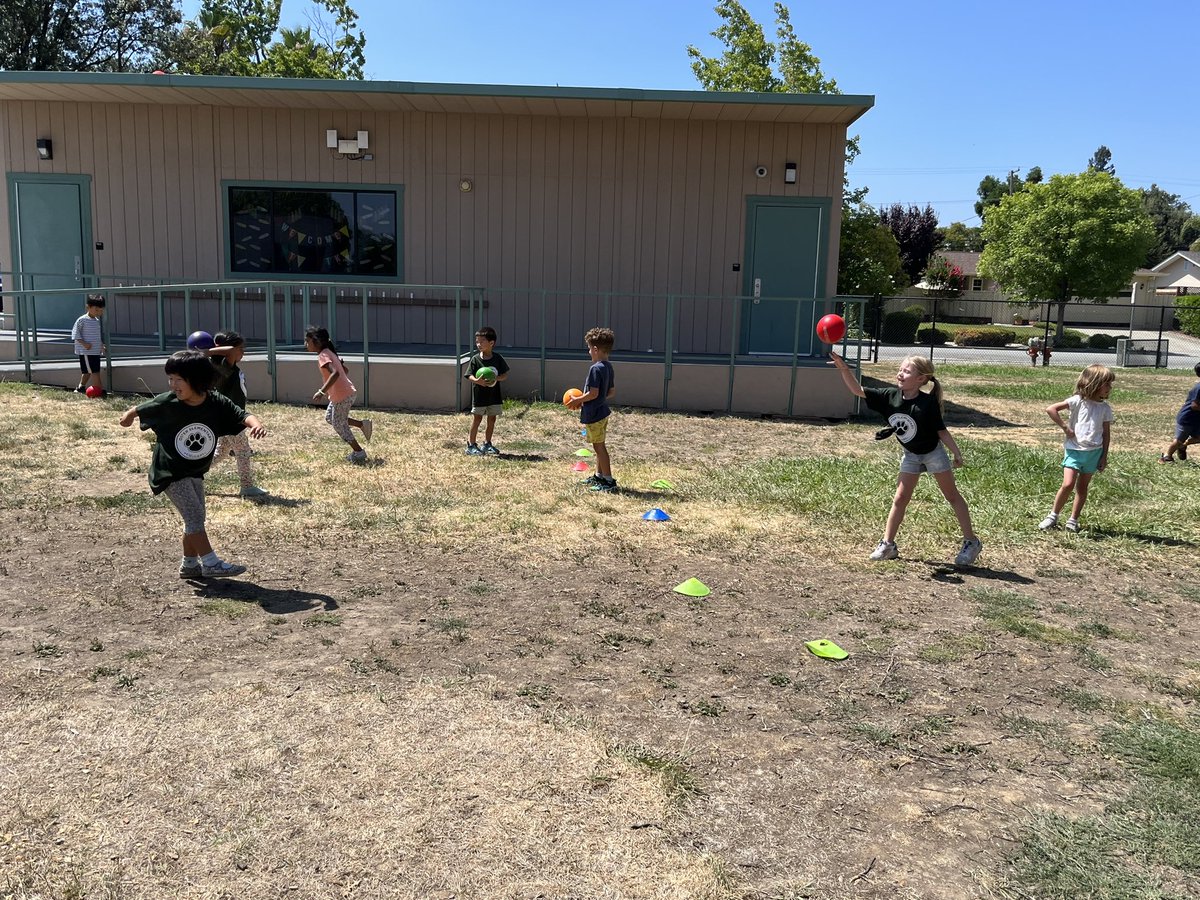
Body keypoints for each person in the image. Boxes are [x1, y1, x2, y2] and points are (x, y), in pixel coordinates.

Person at [118, 350, 267, 578]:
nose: (172, 385)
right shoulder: (169, 401)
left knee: (196, 518)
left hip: (195, 471)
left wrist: (255, 424)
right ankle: (211, 563)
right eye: (170, 379)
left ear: (197, 380)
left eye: (178, 379)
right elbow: (141, 408)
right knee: (194, 517)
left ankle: (189, 565)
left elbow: (241, 414)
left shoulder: (215, 401)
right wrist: (128, 417)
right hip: (170, 472)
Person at [830, 351, 983, 566]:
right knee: (900, 498)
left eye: (906, 371)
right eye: (900, 370)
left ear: (921, 379)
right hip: (911, 455)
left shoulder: (927, 403)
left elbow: (941, 431)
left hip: (933, 453)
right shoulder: (889, 396)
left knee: (951, 495)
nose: (900, 374)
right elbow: (857, 390)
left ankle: (971, 542)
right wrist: (843, 368)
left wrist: (956, 453)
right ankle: (888, 545)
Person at [1039, 364, 1115, 533]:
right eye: (1107, 384)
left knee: (1082, 488)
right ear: (1094, 383)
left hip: (1093, 453)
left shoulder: (1105, 408)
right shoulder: (1077, 401)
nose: (1110, 387)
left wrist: (1103, 457)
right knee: (1067, 484)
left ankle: (1073, 520)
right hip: (1074, 450)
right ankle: (1053, 516)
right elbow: (1051, 409)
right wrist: (1065, 427)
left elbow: (1106, 434)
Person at [206, 331, 267, 498]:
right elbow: (231, 351)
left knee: (221, 452)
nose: (242, 352)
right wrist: (208, 351)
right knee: (243, 451)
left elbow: (231, 351)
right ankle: (247, 486)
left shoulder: (224, 366)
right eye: (241, 348)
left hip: (229, 417)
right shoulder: (223, 366)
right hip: (231, 418)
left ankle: (191, 474)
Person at [304, 326, 372, 463]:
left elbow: (335, 374)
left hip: (342, 396)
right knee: (331, 418)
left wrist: (321, 391)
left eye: (307, 341)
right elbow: (344, 371)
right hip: (343, 394)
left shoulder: (323, 356)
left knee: (338, 424)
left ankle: (358, 452)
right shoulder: (329, 352)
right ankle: (362, 424)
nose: (305, 344)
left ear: (317, 342)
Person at [566, 327, 617, 492]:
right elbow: (611, 392)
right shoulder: (608, 367)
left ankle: (608, 481)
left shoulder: (595, 368)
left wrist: (578, 400)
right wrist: (598, 398)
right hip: (603, 412)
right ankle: (599, 476)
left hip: (595, 415)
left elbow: (593, 393)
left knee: (599, 448)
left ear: (595, 349)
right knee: (599, 445)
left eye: (589, 348)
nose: (588, 352)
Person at [463, 326, 510, 455]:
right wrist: (477, 381)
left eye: (482, 341)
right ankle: (471, 445)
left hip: (494, 396)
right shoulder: (475, 359)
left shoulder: (497, 358)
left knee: (492, 419)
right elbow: (468, 375)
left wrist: (496, 378)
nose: (478, 344)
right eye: (477, 341)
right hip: (480, 397)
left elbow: (505, 375)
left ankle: (487, 444)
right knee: (477, 419)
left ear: (491, 343)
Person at [1159, 362, 1200, 463]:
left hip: (1196, 419)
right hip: (1187, 418)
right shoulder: (1199, 388)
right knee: (1178, 440)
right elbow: (1194, 406)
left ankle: (1183, 445)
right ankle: (1166, 456)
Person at [72, 295, 106, 396]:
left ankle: (81, 387)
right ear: (88, 307)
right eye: (96, 310)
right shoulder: (82, 320)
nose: (98, 312)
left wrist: (101, 345)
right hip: (86, 352)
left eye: (101, 310)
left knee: (88, 371)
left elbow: (97, 335)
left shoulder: (96, 321)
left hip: (95, 351)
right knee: (95, 371)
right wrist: (84, 344)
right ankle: (99, 390)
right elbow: (75, 334)